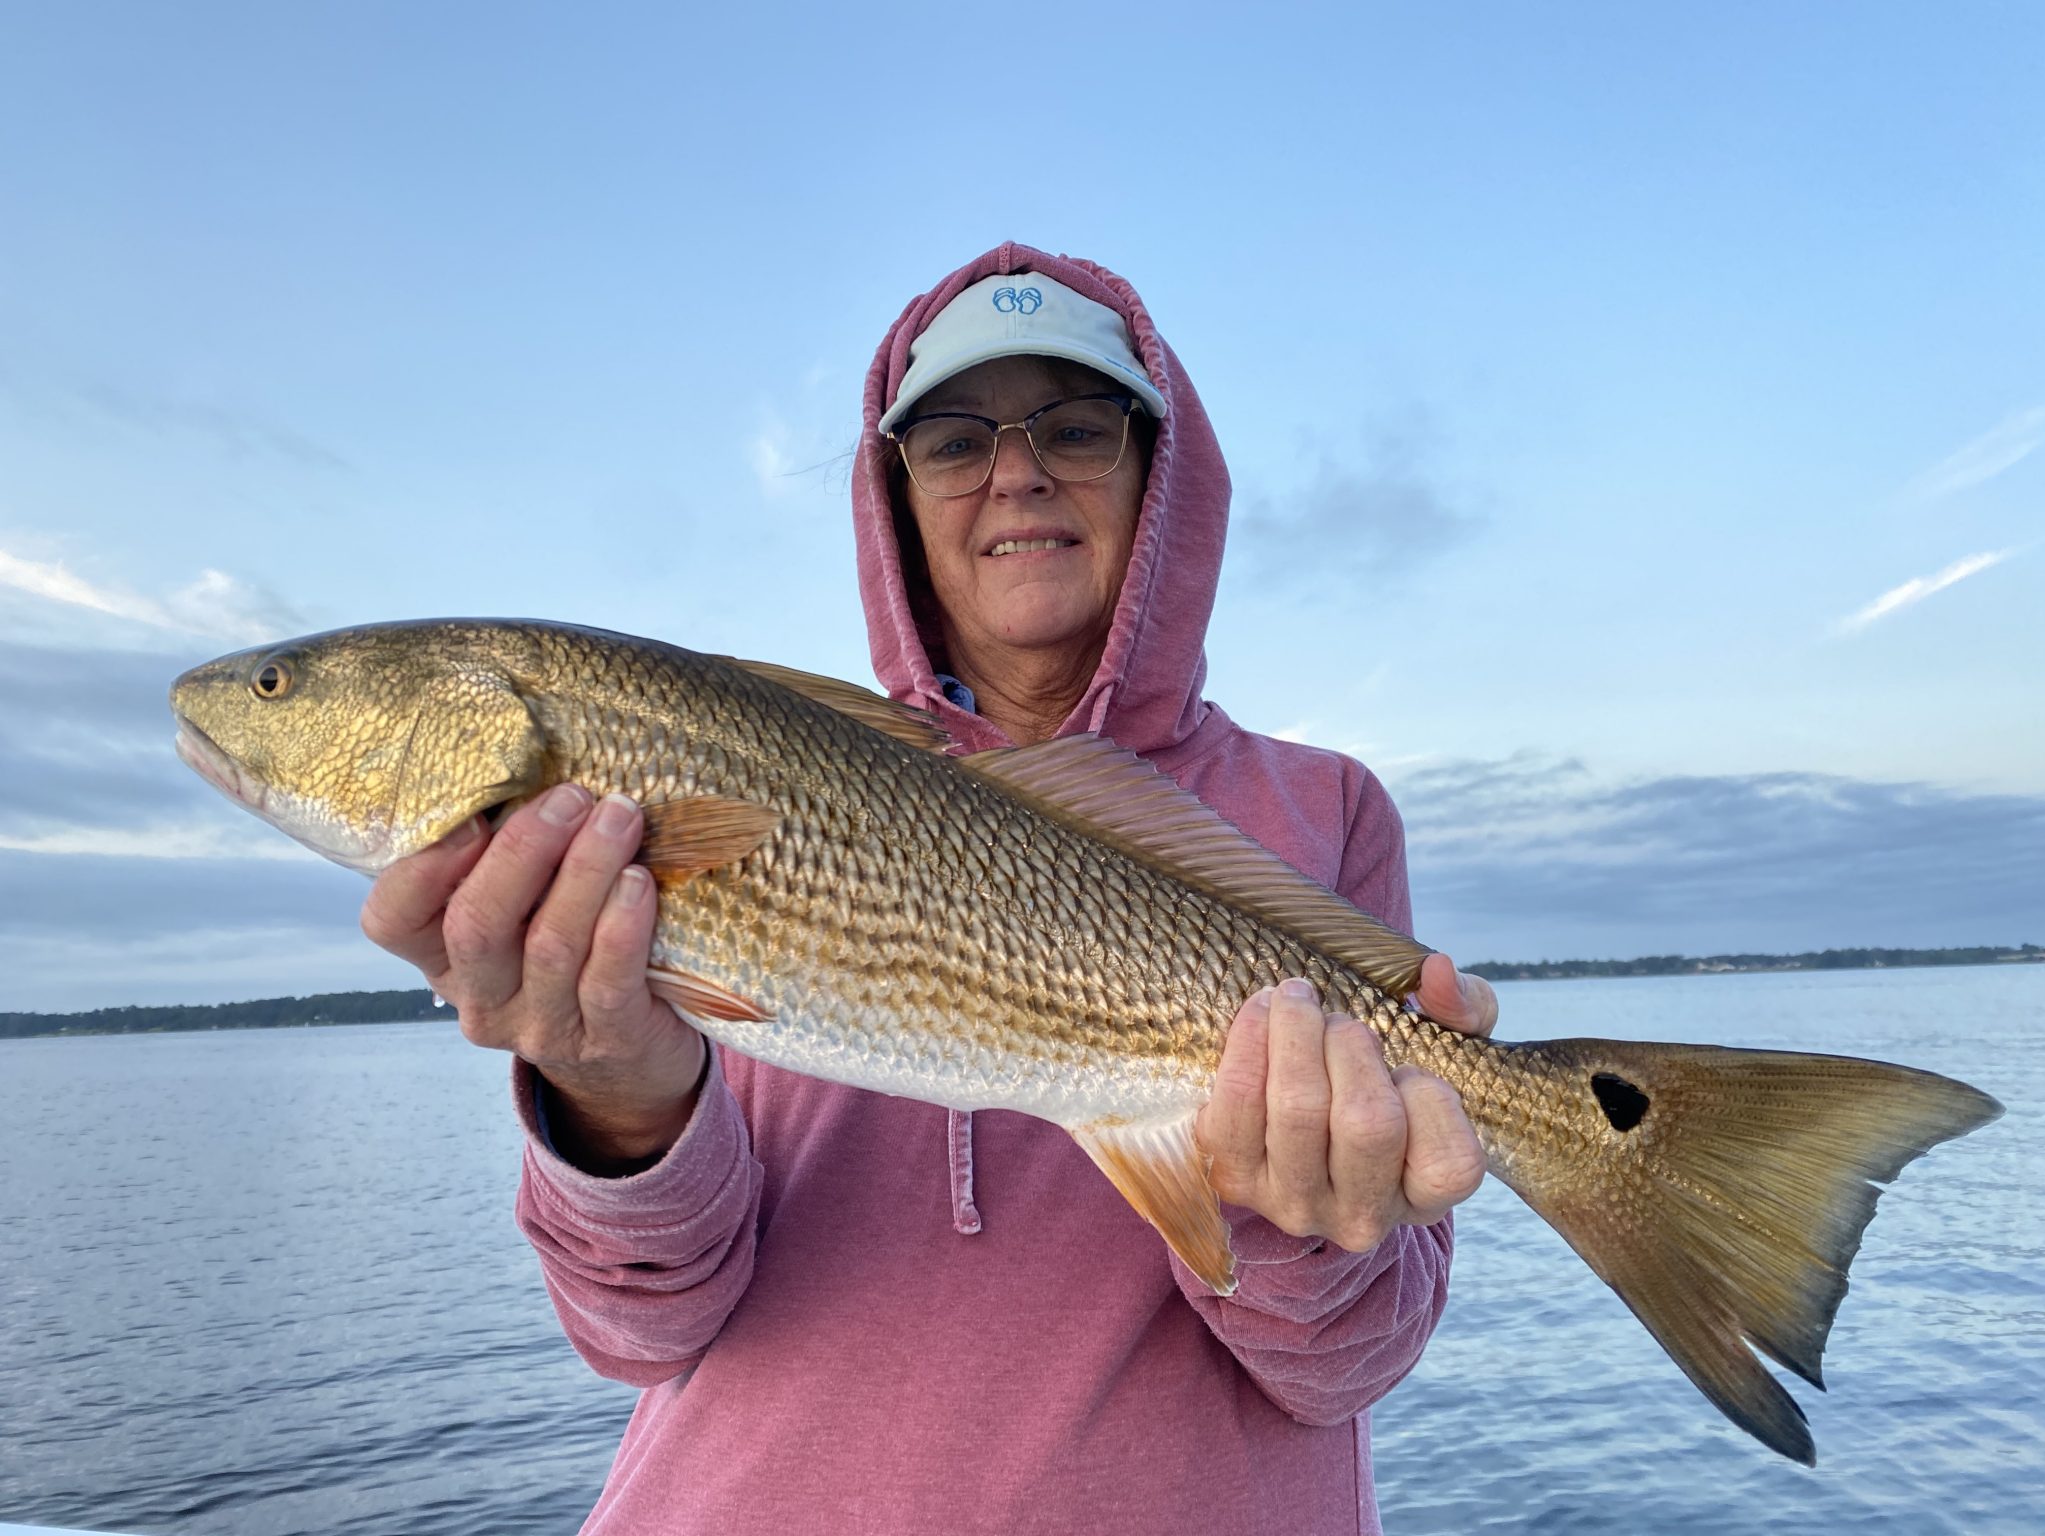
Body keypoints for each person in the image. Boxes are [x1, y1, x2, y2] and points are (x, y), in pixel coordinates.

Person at [361, 243, 1500, 1535]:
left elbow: (1350, 1366)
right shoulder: (752, 773)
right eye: (953, 441)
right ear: (894, 496)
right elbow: (641, 1330)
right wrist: (613, 1098)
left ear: (1162, 473)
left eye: (1075, 426)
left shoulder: (1325, 812)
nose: (1015, 470)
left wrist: (1289, 1207)